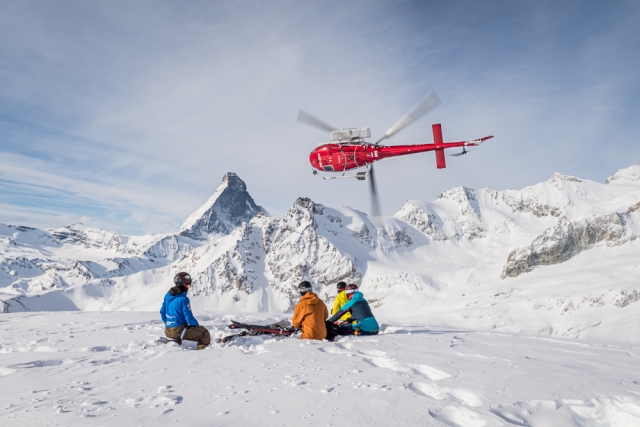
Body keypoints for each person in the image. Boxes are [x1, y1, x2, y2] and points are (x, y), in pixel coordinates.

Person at [160, 272, 211, 350]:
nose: (188, 287)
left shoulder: (168, 297)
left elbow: (162, 312)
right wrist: (197, 327)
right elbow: (189, 318)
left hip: (167, 330)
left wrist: (169, 324)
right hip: (178, 330)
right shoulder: (183, 299)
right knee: (204, 334)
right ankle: (202, 355)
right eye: (187, 284)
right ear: (183, 284)